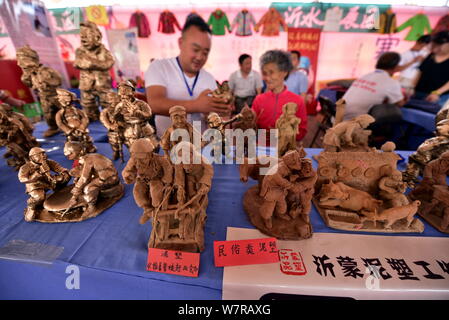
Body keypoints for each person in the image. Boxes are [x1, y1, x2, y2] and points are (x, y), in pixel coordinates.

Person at [145, 15, 231, 137]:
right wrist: (197, 105)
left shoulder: (209, 79)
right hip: (168, 147)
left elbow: (211, 115)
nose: (200, 57)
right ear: (181, 43)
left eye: (205, 52)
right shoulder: (159, 67)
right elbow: (155, 104)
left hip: (201, 146)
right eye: (195, 50)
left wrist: (219, 113)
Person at [251, 50, 308, 144]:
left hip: (285, 150)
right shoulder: (259, 99)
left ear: (284, 72)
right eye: (265, 73)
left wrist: (283, 133)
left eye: (271, 72)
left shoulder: (297, 101)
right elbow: (251, 128)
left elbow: (302, 132)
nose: (267, 78)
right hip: (261, 148)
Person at [339, 52, 405, 122]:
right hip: (354, 125)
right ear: (396, 67)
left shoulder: (364, 76)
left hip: (336, 119)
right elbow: (400, 104)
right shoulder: (391, 82)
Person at [412, 31, 449, 107]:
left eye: (440, 45)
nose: (437, 47)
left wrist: (436, 93)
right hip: (419, 92)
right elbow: (420, 72)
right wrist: (412, 87)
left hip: (438, 97)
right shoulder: (430, 55)